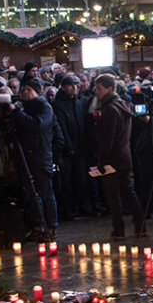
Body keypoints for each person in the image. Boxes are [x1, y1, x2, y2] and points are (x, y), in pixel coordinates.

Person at [88, 74, 143, 240]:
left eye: (99, 88)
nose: (95, 92)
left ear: (109, 89)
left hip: (113, 159)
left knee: (114, 196)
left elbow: (108, 138)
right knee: (128, 193)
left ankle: (119, 229)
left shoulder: (110, 109)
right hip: (124, 156)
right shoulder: (123, 105)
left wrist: (102, 161)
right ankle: (140, 226)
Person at [4, 78, 58, 242]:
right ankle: (38, 226)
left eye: (28, 89)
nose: (24, 92)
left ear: (36, 90)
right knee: (32, 194)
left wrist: (16, 113)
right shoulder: (23, 108)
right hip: (25, 156)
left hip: (41, 156)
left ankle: (50, 226)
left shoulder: (44, 107)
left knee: (46, 193)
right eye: (23, 89)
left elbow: (37, 125)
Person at [52, 75, 92, 220]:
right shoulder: (58, 104)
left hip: (81, 147)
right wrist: (68, 147)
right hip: (67, 149)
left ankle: (82, 206)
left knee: (82, 179)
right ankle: (67, 209)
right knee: (66, 181)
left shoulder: (81, 102)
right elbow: (61, 127)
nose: (74, 87)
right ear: (63, 87)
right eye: (70, 85)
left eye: (76, 84)